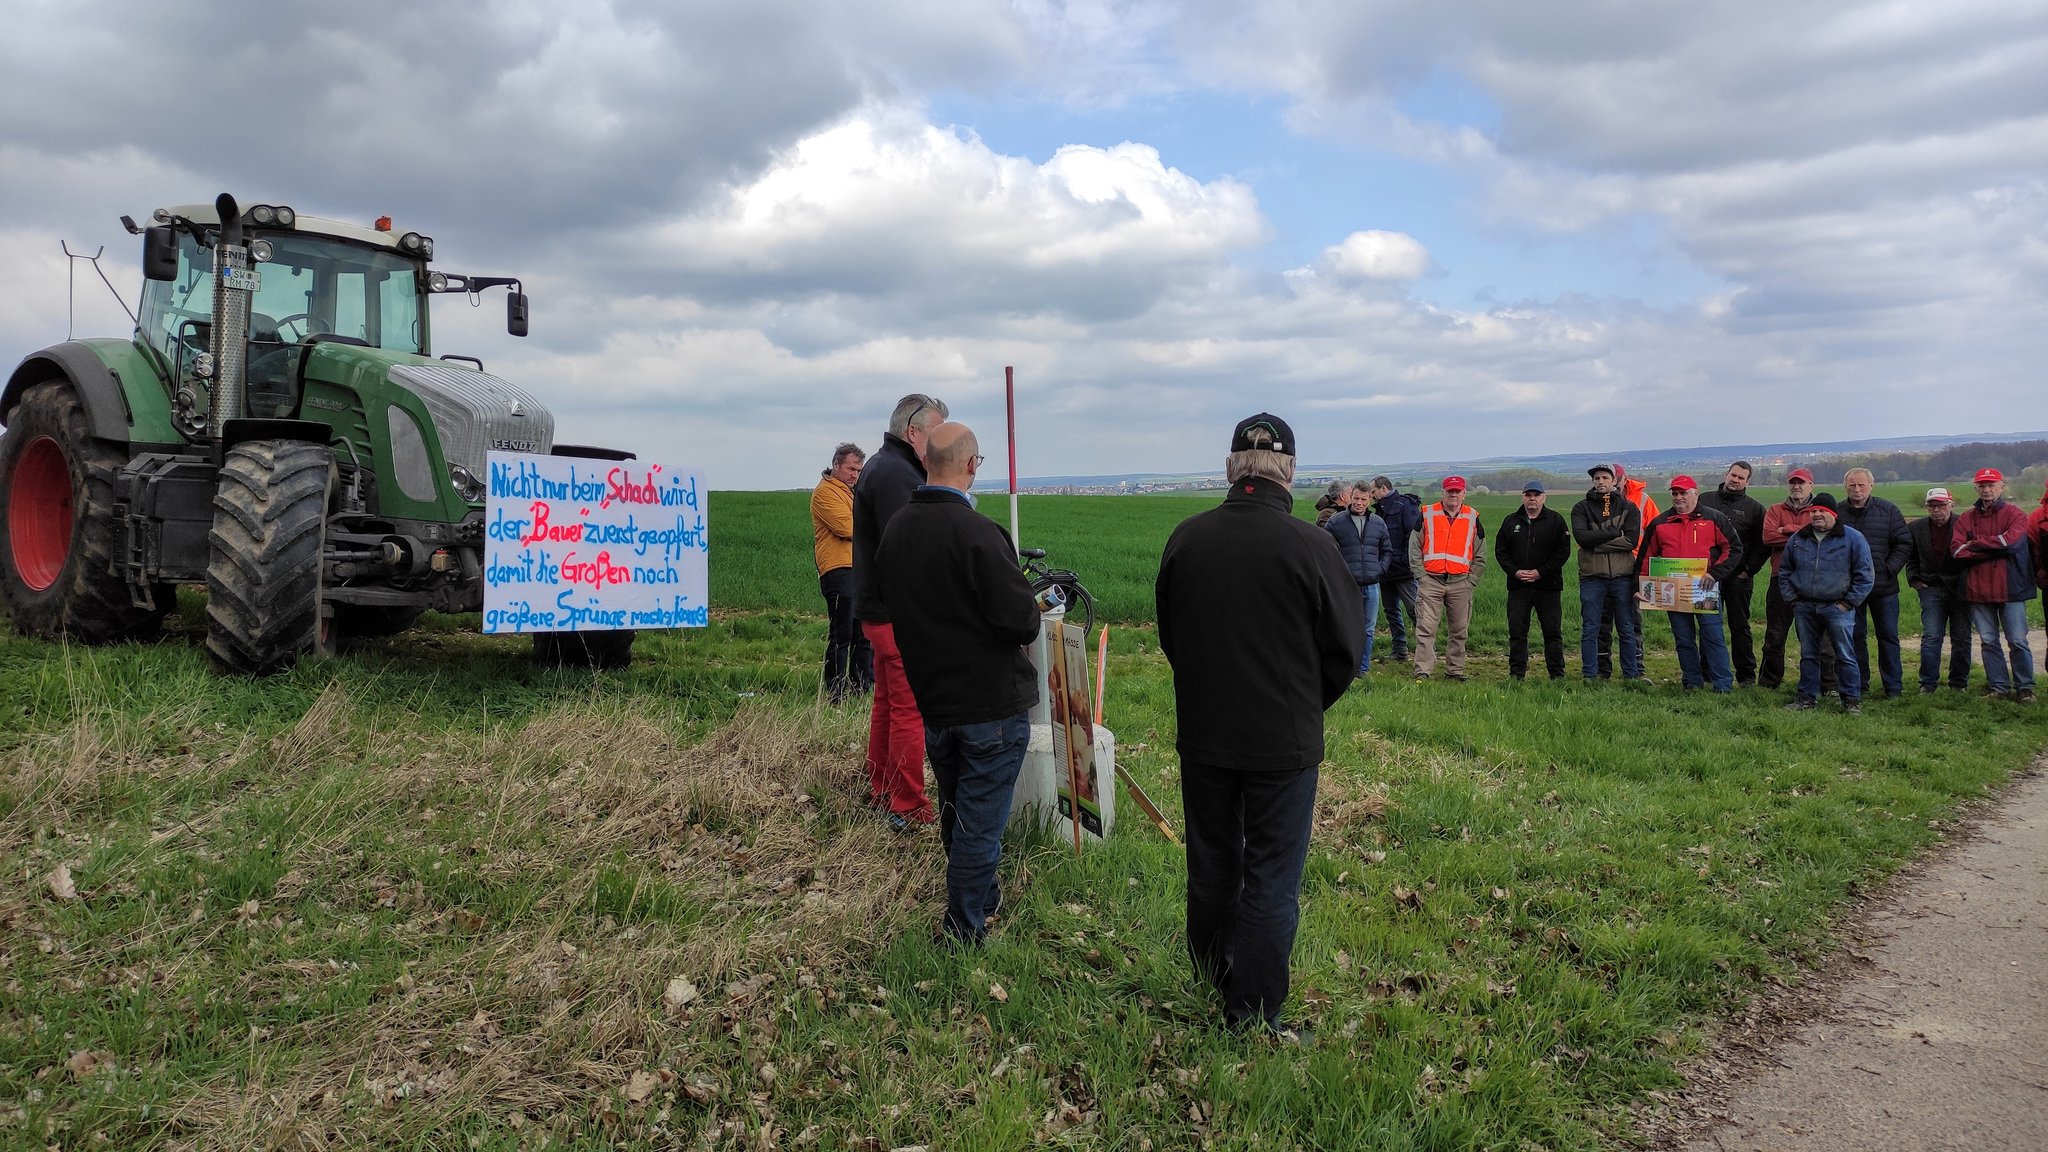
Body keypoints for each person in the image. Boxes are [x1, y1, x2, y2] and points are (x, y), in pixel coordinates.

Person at [1155, 413, 1363, 1036]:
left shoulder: (1187, 539)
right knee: (1272, 875)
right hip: (1284, 740)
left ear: (1229, 468)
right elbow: (1346, 649)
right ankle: (1253, 1012)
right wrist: (1303, 703)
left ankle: (1210, 974)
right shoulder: (1312, 545)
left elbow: (1173, 636)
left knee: (1212, 860)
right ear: (1290, 474)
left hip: (1205, 733)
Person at [872, 424, 1041, 943]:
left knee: (954, 808)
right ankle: (964, 928)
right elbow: (1021, 622)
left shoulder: (898, 529)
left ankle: (982, 898)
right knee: (980, 824)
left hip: (934, 699)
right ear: (971, 466)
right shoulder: (978, 533)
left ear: (927, 462)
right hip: (989, 702)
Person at [852, 393, 949, 829]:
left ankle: (882, 787)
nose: (942, 444)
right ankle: (908, 803)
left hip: (877, 609)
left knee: (888, 702)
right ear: (913, 432)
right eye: (937, 433)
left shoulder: (880, 464)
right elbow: (904, 549)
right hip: (895, 613)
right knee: (908, 707)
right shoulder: (897, 475)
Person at [1638, 476, 1743, 692]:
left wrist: (1715, 573)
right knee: (1683, 639)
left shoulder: (1714, 518)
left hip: (1704, 589)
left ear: (1695, 493)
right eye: (1675, 493)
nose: (1679, 497)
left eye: (1683, 493)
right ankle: (1692, 682)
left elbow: (1733, 548)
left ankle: (1723, 685)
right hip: (1673, 591)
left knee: (1713, 637)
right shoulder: (1660, 523)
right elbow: (1646, 557)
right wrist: (1641, 587)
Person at [1781, 493, 1874, 713]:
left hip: (1837, 607)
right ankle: (1806, 698)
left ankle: (1851, 699)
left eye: (1822, 511)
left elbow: (1865, 575)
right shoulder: (1798, 539)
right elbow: (1785, 571)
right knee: (1808, 654)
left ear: (1833, 513)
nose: (1817, 515)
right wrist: (1793, 599)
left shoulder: (1853, 538)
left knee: (1845, 653)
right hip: (1804, 606)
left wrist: (1848, 602)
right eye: (1813, 511)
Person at [1953, 468, 2036, 703]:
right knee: (1989, 641)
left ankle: (2025, 688)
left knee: (2018, 641)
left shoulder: (2016, 515)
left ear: (2002, 486)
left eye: (1991, 485)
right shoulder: (1967, 518)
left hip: (2011, 588)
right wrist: (1993, 547)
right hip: (1977, 589)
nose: (1986, 489)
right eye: (1982, 485)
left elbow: (2011, 544)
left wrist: (1976, 543)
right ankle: (1999, 687)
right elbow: (1958, 551)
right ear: (1975, 488)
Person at [1836, 468, 1912, 699]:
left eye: (1861, 485)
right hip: (1850, 589)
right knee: (1854, 636)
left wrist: (1888, 569)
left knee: (1888, 636)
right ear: (1845, 486)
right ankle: (1858, 683)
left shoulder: (1887, 510)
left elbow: (1904, 543)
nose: (1857, 490)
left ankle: (1893, 687)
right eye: (1852, 485)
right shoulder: (1838, 513)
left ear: (1871, 485)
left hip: (1884, 588)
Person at [1760, 468, 1835, 693]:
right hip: (1780, 579)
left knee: (1819, 637)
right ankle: (1768, 684)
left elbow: (1823, 535)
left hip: (1813, 581)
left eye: (1801, 483)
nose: (1796, 487)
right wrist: (1803, 532)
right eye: (1792, 483)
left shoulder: (1819, 510)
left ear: (1811, 485)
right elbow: (1767, 537)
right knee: (1775, 634)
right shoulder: (1775, 510)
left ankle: (1827, 684)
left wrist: (1787, 530)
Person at [1408, 476, 1486, 682]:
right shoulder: (1426, 514)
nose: (1453, 494)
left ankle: (1455, 671)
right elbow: (1414, 547)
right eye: (1449, 491)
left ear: (1464, 494)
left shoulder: (1473, 517)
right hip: (1431, 581)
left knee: (1459, 630)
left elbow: (1480, 554)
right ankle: (1422, 671)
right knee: (1425, 629)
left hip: (1460, 583)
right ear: (1442, 492)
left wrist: (1471, 581)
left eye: (1457, 491)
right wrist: (1421, 576)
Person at [811, 442, 873, 702]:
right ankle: (836, 693)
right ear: (836, 465)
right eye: (850, 469)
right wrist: (873, 524)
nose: (854, 475)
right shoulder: (825, 493)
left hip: (857, 569)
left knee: (863, 634)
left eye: (858, 471)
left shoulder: (851, 493)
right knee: (842, 635)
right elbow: (847, 528)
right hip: (838, 570)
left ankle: (860, 690)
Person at [1571, 464, 1644, 682]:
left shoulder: (1629, 508)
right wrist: (1613, 533)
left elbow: (1631, 540)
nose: (1600, 481)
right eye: (1596, 478)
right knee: (1590, 628)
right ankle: (1590, 675)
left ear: (1615, 481)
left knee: (1626, 629)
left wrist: (1596, 542)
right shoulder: (1581, 508)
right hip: (1592, 577)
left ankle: (1631, 676)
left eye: (1605, 477)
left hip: (1623, 577)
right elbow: (1582, 538)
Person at [1494, 479, 1571, 680]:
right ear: (1523, 497)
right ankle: (1516, 674)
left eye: (1536, 495)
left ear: (1544, 497)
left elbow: (1563, 552)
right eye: (1528, 495)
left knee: (1552, 633)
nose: (1532, 499)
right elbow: (1501, 551)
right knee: (1518, 633)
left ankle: (1557, 674)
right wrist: (1514, 572)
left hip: (1548, 586)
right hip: (1518, 587)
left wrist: (1541, 572)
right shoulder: (1511, 521)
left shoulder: (1555, 521)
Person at [1699, 461, 1768, 685]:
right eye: (1733, 475)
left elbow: (1762, 544)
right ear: (1726, 474)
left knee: (1740, 626)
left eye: (1741, 478)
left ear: (1748, 482)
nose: (1735, 480)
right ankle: (1707, 672)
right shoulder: (1704, 500)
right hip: (1707, 577)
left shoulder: (1755, 508)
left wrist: (1749, 571)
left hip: (1738, 577)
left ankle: (1746, 674)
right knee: (1708, 624)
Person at [1904, 487, 1972, 693]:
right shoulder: (1916, 528)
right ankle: (1928, 683)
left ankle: (1958, 683)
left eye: (1941, 506)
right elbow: (1910, 556)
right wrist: (1914, 579)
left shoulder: (1963, 525)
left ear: (1951, 505)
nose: (1937, 510)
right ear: (1926, 507)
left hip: (1960, 589)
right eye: (1932, 506)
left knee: (1961, 637)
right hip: (1930, 587)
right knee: (1932, 636)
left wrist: (1968, 583)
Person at [1596, 464, 1661, 677]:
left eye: (1615, 478)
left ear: (1621, 479)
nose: (1611, 483)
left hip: (1633, 567)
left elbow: (1657, 534)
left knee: (1632, 622)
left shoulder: (1643, 500)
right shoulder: (1594, 503)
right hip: (1602, 567)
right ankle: (1601, 671)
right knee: (1601, 623)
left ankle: (1636, 670)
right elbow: (1586, 538)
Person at [1323, 480, 1391, 679]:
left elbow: (1387, 549)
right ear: (1350, 497)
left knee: (1368, 629)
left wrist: (1380, 569)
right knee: (1345, 628)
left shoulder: (1378, 523)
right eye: (1356, 498)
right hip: (1347, 584)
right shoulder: (1336, 521)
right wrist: (1337, 572)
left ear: (1370, 499)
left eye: (1363, 499)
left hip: (1371, 584)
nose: (1359, 503)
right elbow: (1326, 549)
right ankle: (1344, 668)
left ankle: (1362, 668)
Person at [1371, 476, 1422, 662]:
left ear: (1383, 488)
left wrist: (1404, 560)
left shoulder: (1405, 505)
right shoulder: (1378, 509)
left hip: (1403, 570)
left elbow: (1413, 535)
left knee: (1415, 610)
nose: (1372, 496)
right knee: (1391, 611)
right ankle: (1399, 650)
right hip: (1384, 569)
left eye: (1373, 491)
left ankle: (1425, 650)